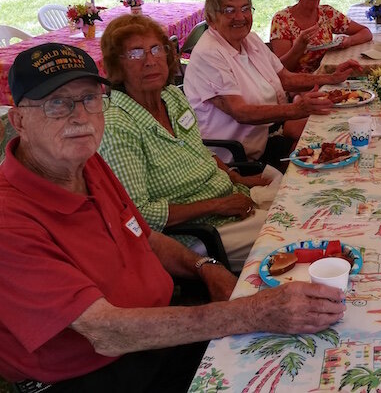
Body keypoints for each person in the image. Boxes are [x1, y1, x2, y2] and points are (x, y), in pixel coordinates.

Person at [0, 43, 344, 390]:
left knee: (309, 355)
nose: (80, 117)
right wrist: (251, 312)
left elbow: (143, 236)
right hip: (93, 372)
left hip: (159, 331)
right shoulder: (9, 219)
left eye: (90, 99)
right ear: (19, 120)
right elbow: (105, 332)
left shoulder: (87, 163)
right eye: (57, 103)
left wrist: (205, 267)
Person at [98, 14, 273, 271]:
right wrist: (218, 205)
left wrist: (238, 179)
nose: (150, 61)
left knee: (303, 192)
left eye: (156, 49)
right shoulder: (117, 126)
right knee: (295, 230)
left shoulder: (170, 96)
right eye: (135, 53)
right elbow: (139, 214)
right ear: (116, 65)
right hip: (197, 236)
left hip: (232, 200)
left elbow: (199, 153)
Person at [183, 0, 362, 169]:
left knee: (338, 131)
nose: (240, 17)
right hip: (241, 155)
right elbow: (240, 112)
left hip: (271, 132)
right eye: (229, 10)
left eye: (245, 9)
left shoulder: (249, 39)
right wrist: (296, 110)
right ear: (211, 19)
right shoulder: (209, 54)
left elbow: (285, 78)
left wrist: (331, 78)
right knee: (324, 160)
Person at [270, 0, 372, 73]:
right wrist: (299, 48)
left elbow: (366, 33)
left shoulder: (327, 13)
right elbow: (282, 69)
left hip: (328, 75)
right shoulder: (281, 20)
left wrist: (349, 41)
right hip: (300, 84)